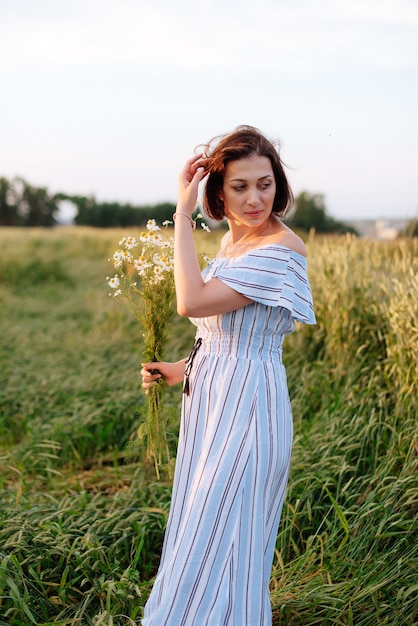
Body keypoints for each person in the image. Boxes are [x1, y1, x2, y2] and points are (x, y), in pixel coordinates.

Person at [140, 125, 316, 626]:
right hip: (212, 405)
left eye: (265, 183)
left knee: (221, 541)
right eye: (240, 186)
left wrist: (181, 213)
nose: (257, 197)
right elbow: (227, 331)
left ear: (278, 184)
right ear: (220, 190)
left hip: (249, 412)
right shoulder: (235, 247)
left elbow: (190, 301)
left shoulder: (279, 250)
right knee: (204, 533)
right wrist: (180, 368)